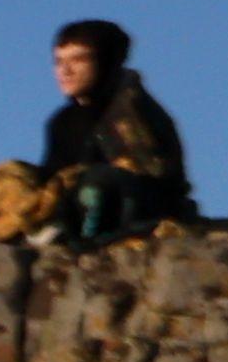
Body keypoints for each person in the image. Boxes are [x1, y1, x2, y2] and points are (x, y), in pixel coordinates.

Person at [44, 20, 196, 247]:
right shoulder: (63, 121)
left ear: (105, 62)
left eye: (78, 60)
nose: (65, 71)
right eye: (59, 61)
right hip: (79, 210)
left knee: (99, 182)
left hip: (142, 212)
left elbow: (152, 177)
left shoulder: (132, 111)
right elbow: (53, 175)